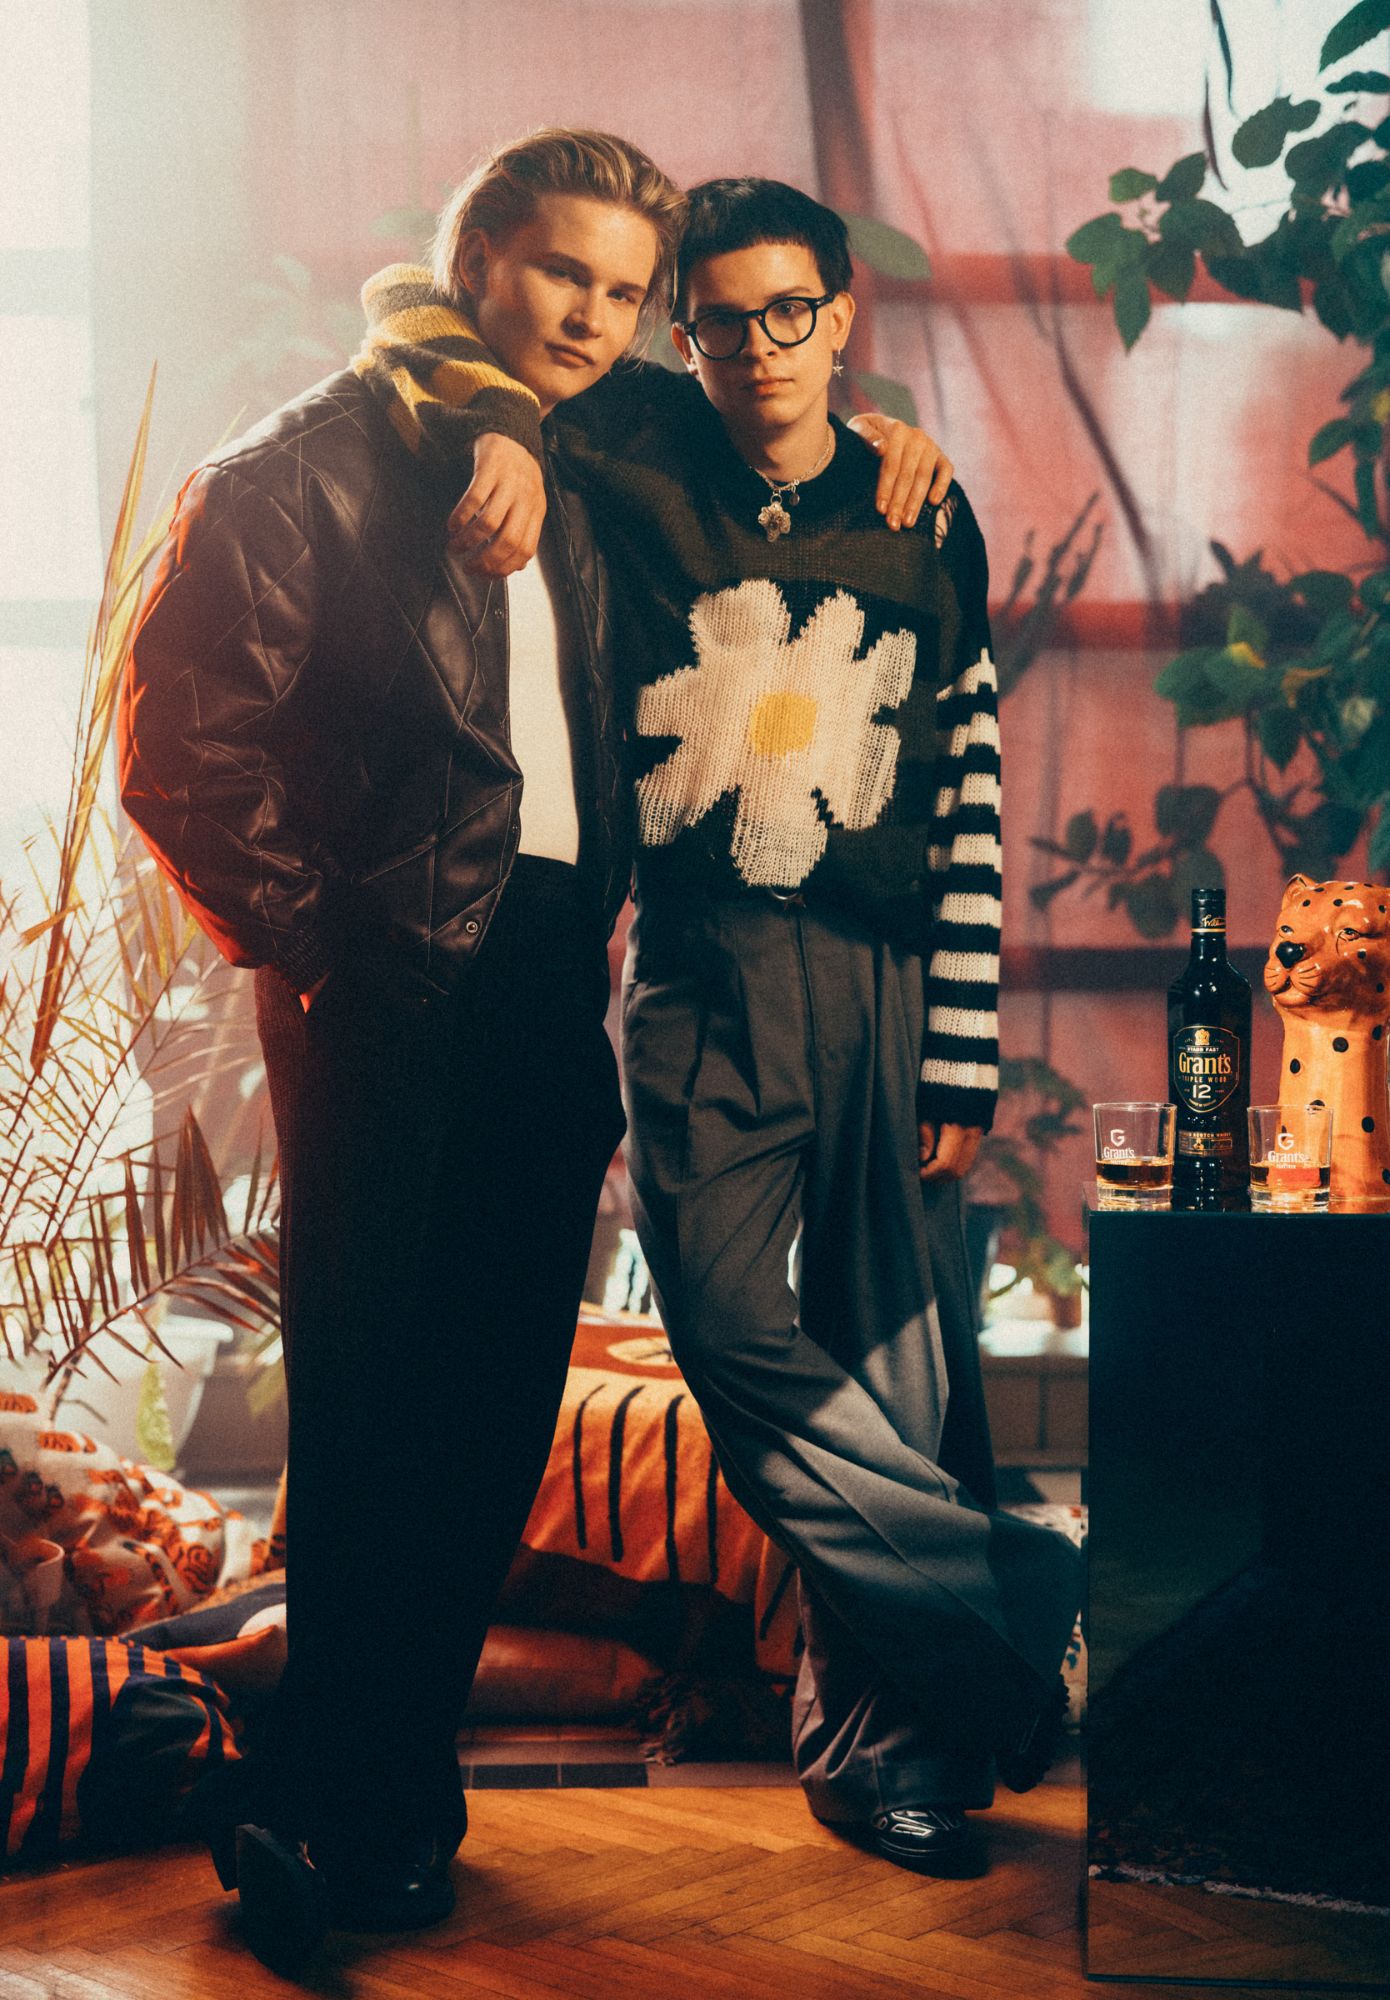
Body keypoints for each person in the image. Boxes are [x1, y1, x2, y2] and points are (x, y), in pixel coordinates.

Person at [119, 134, 942, 1971]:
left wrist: (889, 442)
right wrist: (331, 951)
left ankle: (384, 1797)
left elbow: (761, 418)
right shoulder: (296, 477)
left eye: (620, 290)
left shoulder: (577, 447)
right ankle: (336, 1806)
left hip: (555, 976)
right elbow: (179, 752)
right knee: (373, 1413)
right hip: (385, 988)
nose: (592, 315)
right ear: (474, 259)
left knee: (492, 1415)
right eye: (562, 271)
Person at [366, 176, 1083, 1880]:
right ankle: (1013, 1586)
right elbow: (411, 302)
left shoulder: (921, 513)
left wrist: (960, 1050)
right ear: (681, 331)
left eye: (789, 314)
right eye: (717, 320)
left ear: (840, 320)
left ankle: (881, 1761)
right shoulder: (620, 442)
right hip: (697, 969)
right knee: (730, 1333)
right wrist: (502, 428)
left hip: (887, 985)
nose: (757, 349)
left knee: (891, 1368)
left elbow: (971, 796)